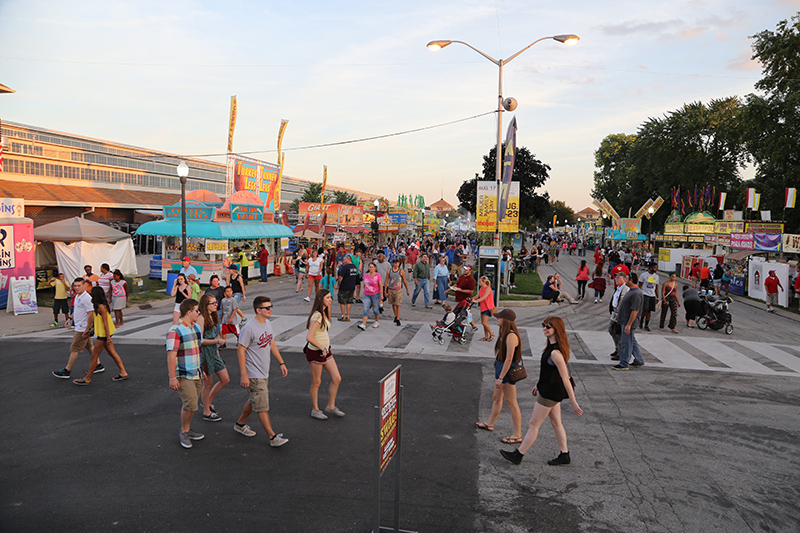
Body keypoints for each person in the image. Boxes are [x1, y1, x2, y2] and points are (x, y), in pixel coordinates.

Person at [500, 315, 583, 465]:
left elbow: (565, 378)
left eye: (548, 326)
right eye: (543, 325)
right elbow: (549, 373)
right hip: (549, 390)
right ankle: (564, 455)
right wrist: (538, 385)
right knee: (556, 422)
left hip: (550, 394)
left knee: (533, 424)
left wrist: (574, 402)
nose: (544, 328)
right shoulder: (551, 348)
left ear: (556, 329)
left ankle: (518, 455)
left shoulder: (555, 353)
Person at [233, 296, 289, 448]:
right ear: (258, 310)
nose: (271, 309)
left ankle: (240, 424)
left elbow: (272, 343)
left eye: (271, 306)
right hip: (254, 373)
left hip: (264, 372)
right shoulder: (249, 328)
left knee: (254, 400)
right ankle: (272, 437)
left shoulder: (268, 324)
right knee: (262, 405)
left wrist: (281, 362)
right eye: (267, 307)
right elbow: (240, 350)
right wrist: (244, 374)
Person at [474, 309, 523, 446]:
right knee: (496, 397)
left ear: (505, 320)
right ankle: (490, 423)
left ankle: (517, 434)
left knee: (511, 402)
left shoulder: (511, 336)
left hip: (506, 371)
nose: (497, 319)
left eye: (499, 318)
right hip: (501, 368)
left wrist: (500, 378)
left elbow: (509, 360)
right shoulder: (505, 333)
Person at [166, 298, 205, 449]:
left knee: (192, 404)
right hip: (183, 374)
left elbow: (197, 349)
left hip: (196, 372)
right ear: (189, 312)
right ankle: (184, 431)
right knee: (191, 403)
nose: (199, 313)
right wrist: (172, 377)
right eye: (197, 311)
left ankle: (187, 429)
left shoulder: (195, 328)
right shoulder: (175, 331)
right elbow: (171, 355)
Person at [73, 286, 129, 385]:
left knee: (94, 356)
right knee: (112, 353)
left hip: (103, 335)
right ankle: (123, 372)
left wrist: (108, 338)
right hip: (103, 334)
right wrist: (88, 329)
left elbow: (105, 323)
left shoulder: (101, 307)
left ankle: (87, 378)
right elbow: (95, 320)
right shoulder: (98, 305)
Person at [304, 289, 345, 420]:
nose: (330, 299)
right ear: (321, 298)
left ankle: (331, 406)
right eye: (328, 297)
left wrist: (324, 348)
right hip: (316, 351)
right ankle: (315, 409)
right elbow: (309, 337)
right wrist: (321, 347)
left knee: (337, 378)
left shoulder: (325, 312)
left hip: (325, 351)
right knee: (316, 382)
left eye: (330, 297)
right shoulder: (317, 315)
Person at [53, 278, 101, 378]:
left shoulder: (86, 298)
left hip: (82, 328)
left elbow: (91, 314)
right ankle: (98, 365)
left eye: (79, 285)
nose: (77, 287)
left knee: (74, 349)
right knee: (90, 347)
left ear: (84, 285)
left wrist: (87, 329)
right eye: (75, 286)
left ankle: (67, 370)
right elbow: (78, 309)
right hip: (80, 326)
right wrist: (70, 318)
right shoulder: (79, 296)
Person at [197, 294, 229, 422]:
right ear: (206, 305)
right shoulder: (201, 318)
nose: (216, 305)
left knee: (225, 379)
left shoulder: (213, 316)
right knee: (208, 383)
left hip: (213, 353)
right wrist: (216, 341)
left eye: (216, 302)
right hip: (205, 353)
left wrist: (216, 348)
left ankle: (207, 402)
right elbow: (199, 340)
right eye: (213, 303)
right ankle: (206, 411)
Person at [613, 272, 645, 370]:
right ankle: (639, 360)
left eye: (626, 278)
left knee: (626, 343)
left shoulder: (636, 294)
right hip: (624, 321)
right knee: (632, 341)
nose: (625, 280)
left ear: (631, 280)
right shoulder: (631, 291)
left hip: (628, 322)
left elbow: (634, 311)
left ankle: (624, 363)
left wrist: (628, 325)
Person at [608, 271, 631, 361]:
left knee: (618, 334)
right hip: (615, 314)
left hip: (620, 315)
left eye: (619, 278)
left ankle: (620, 352)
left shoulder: (626, 290)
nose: (616, 279)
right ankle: (617, 348)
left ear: (625, 279)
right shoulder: (618, 288)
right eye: (616, 278)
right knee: (611, 330)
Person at [448, 264, 478, 331]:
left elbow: (471, 291)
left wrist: (461, 290)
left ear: (470, 270)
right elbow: (457, 284)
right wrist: (451, 289)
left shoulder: (470, 280)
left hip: (465, 299)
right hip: (459, 299)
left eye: (466, 269)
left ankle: (473, 326)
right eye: (464, 269)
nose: (464, 270)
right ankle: (458, 326)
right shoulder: (462, 277)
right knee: (460, 314)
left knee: (465, 313)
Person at [357, 262, 383, 330]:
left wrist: (382, 294)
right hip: (367, 294)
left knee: (375, 309)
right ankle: (363, 324)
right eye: (370, 267)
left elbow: (380, 285)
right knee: (366, 308)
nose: (371, 268)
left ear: (375, 268)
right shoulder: (366, 275)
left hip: (375, 294)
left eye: (372, 267)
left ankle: (377, 321)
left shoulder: (377, 275)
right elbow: (365, 284)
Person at [385, 258, 410, 326]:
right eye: (395, 263)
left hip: (398, 289)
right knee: (393, 304)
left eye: (397, 263)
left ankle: (398, 318)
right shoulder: (389, 271)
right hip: (391, 289)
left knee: (398, 304)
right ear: (393, 263)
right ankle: (395, 315)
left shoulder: (401, 271)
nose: (396, 265)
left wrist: (407, 289)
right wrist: (385, 291)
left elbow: (404, 280)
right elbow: (386, 281)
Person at [335, 254, 358, 321]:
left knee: (342, 301)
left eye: (345, 259)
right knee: (349, 301)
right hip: (351, 286)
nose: (343, 260)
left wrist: (339, 284)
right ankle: (348, 315)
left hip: (344, 286)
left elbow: (341, 277)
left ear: (348, 259)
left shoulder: (345, 267)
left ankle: (343, 315)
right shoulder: (354, 266)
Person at [638, 263, 659, 331]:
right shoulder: (644, 275)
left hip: (652, 295)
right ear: (650, 268)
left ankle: (646, 325)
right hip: (645, 293)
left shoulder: (656, 277)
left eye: (656, 267)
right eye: (654, 267)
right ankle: (641, 321)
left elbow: (656, 288)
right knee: (645, 309)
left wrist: (657, 297)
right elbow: (640, 285)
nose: (655, 269)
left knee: (649, 311)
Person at [474, 276, 495, 341]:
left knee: (484, 323)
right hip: (483, 308)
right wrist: (471, 299)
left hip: (488, 308)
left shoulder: (488, 289)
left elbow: (484, 297)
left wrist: (476, 301)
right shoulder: (481, 289)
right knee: (483, 323)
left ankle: (491, 334)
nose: (478, 282)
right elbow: (477, 296)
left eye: (480, 281)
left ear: (484, 282)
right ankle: (486, 336)